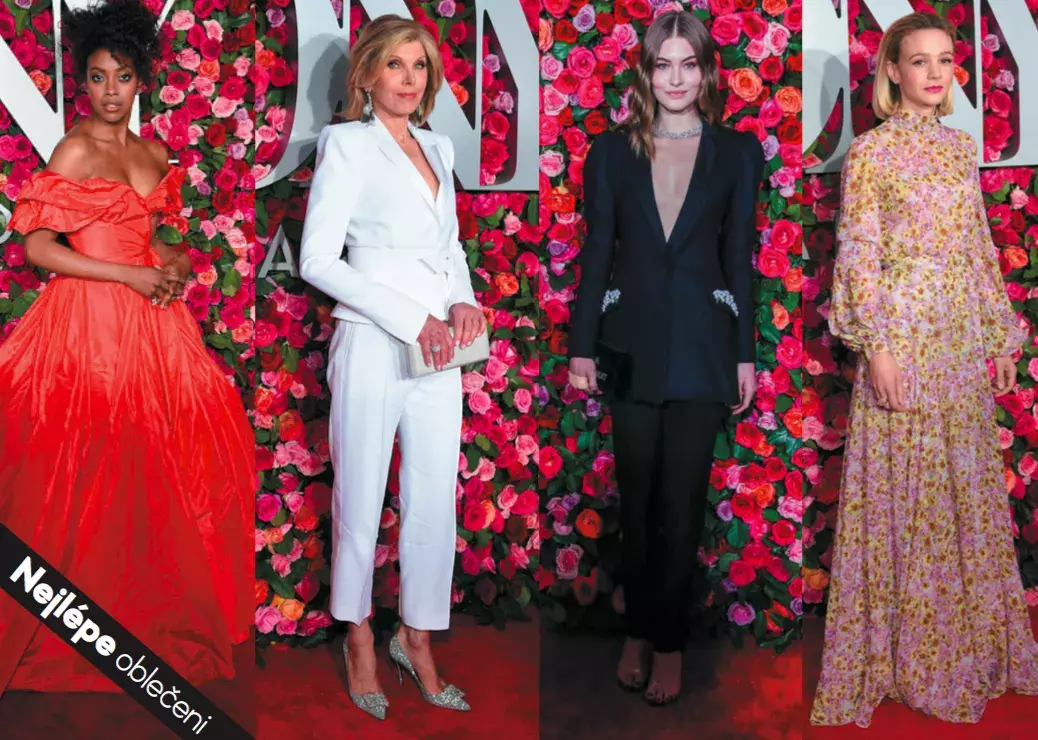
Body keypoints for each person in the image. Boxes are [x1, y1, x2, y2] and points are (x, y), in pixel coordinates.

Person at [0, 0, 253, 695]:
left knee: (167, 463)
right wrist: (127, 275)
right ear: (83, 81)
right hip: (89, 323)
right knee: (85, 469)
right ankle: (76, 617)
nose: (109, 91)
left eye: (122, 77)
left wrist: (172, 262)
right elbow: (38, 248)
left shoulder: (152, 154)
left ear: (142, 79)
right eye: (97, 77)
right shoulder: (75, 149)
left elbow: (156, 240)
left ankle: (138, 615)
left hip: (153, 324)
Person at [810, 12, 1038, 727]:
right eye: (919, 60)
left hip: (957, 337)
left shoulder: (960, 149)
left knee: (960, 491)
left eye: (945, 60)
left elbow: (976, 248)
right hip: (902, 333)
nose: (935, 73)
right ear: (892, 72)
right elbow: (858, 252)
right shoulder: (872, 154)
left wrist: (999, 338)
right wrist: (875, 346)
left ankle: (963, 649)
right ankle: (900, 659)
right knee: (904, 493)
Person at [567, 10, 765, 706]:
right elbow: (598, 252)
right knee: (638, 500)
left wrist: (743, 354)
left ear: (706, 71)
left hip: (705, 349)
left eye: (688, 64)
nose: (675, 78)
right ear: (646, 73)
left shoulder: (737, 152)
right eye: (662, 64)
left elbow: (739, 255)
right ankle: (637, 632)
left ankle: (670, 643)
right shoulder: (609, 153)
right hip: (629, 345)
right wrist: (582, 346)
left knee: (682, 505)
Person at [298, 14, 484, 721]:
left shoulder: (438, 145)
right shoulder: (346, 144)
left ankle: (417, 637)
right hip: (375, 342)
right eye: (396, 65)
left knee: (434, 497)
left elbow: (449, 247)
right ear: (368, 73)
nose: (409, 79)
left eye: (420, 66)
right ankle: (358, 639)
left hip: (441, 350)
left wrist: (462, 301)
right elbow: (318, 260)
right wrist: (413, 318)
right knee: (362, 495)